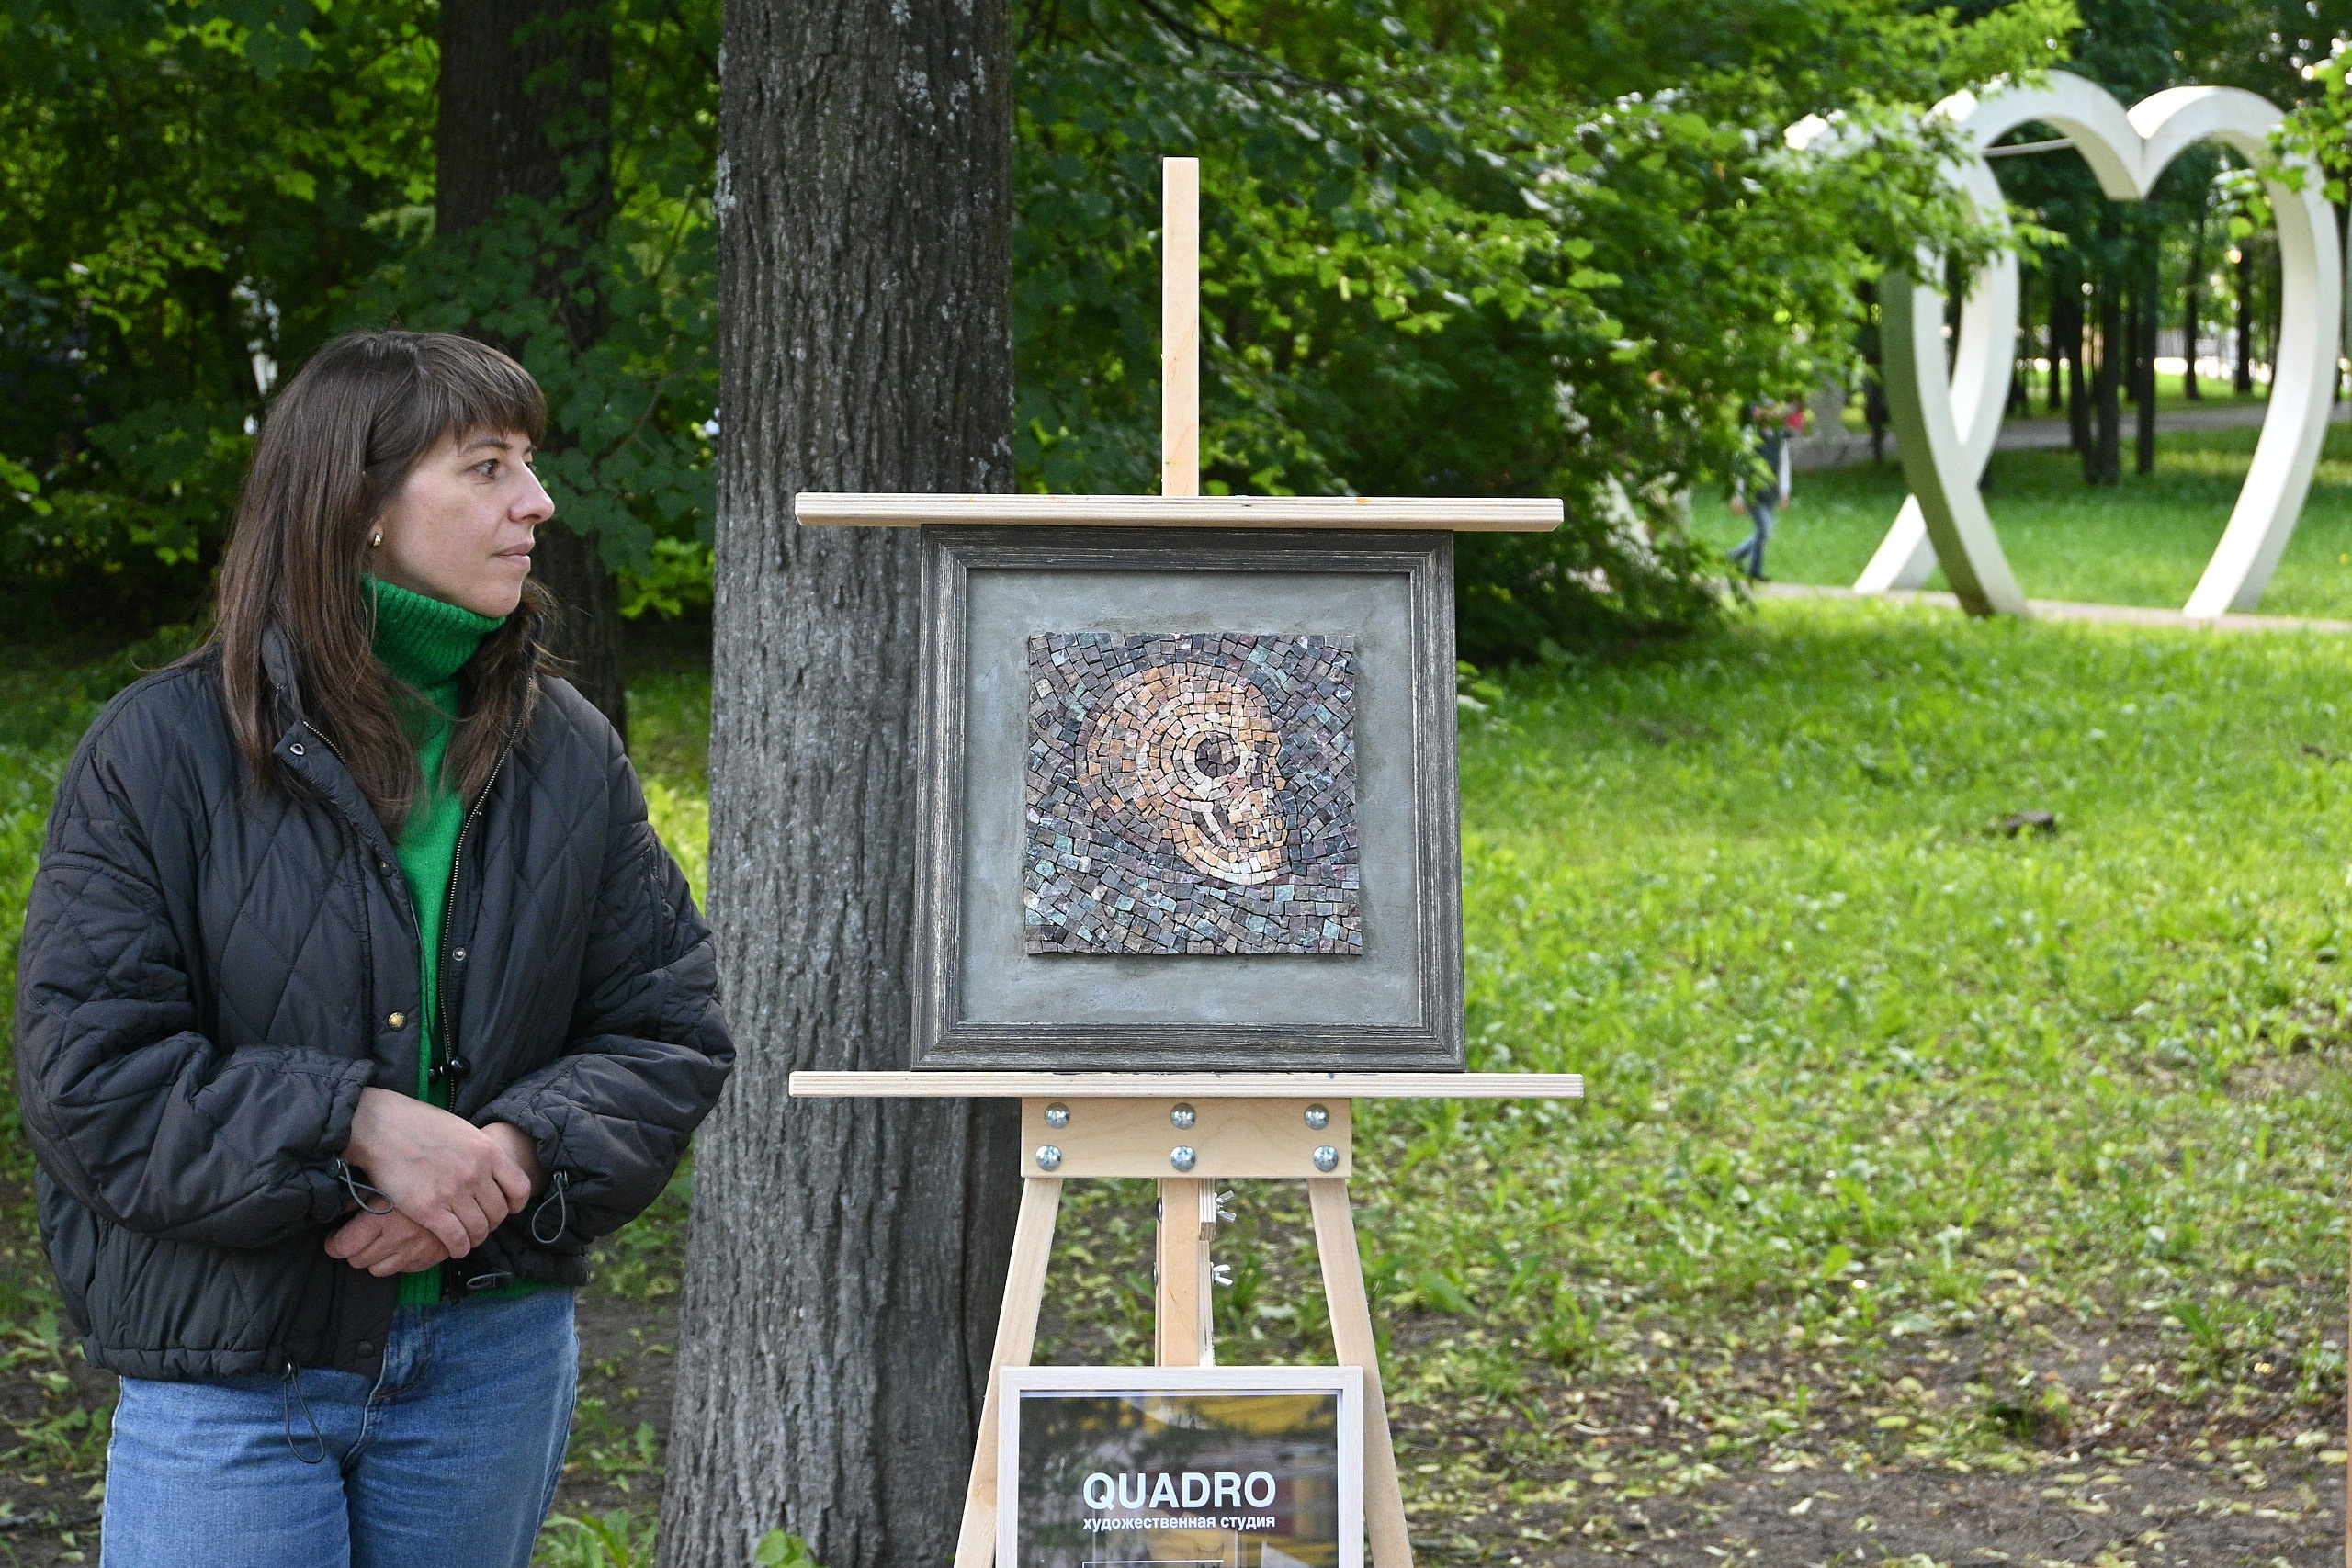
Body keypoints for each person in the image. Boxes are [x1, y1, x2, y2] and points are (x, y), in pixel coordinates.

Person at [14, 330, 735, 1568]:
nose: (536, 501)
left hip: (487, 1362)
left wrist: (503, 1158)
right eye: (487, 466)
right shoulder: (162, 750)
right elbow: (90, 1073)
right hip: (233, 1367)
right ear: (360, 507)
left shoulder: (565, 745)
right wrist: (357, 1127)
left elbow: (666, 1026)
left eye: (530, 463)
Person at [1728, 403, 1800, 581]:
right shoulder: (1749, 437)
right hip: (1753, 492)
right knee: (1765, 530)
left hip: (1770, 492)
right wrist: (1738, 496)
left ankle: (1733, 557)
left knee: (1764, 533)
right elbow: (1741, 468)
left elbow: (1783, 467)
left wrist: (1784, 492)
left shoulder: (1779, 438)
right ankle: (1753, 570)